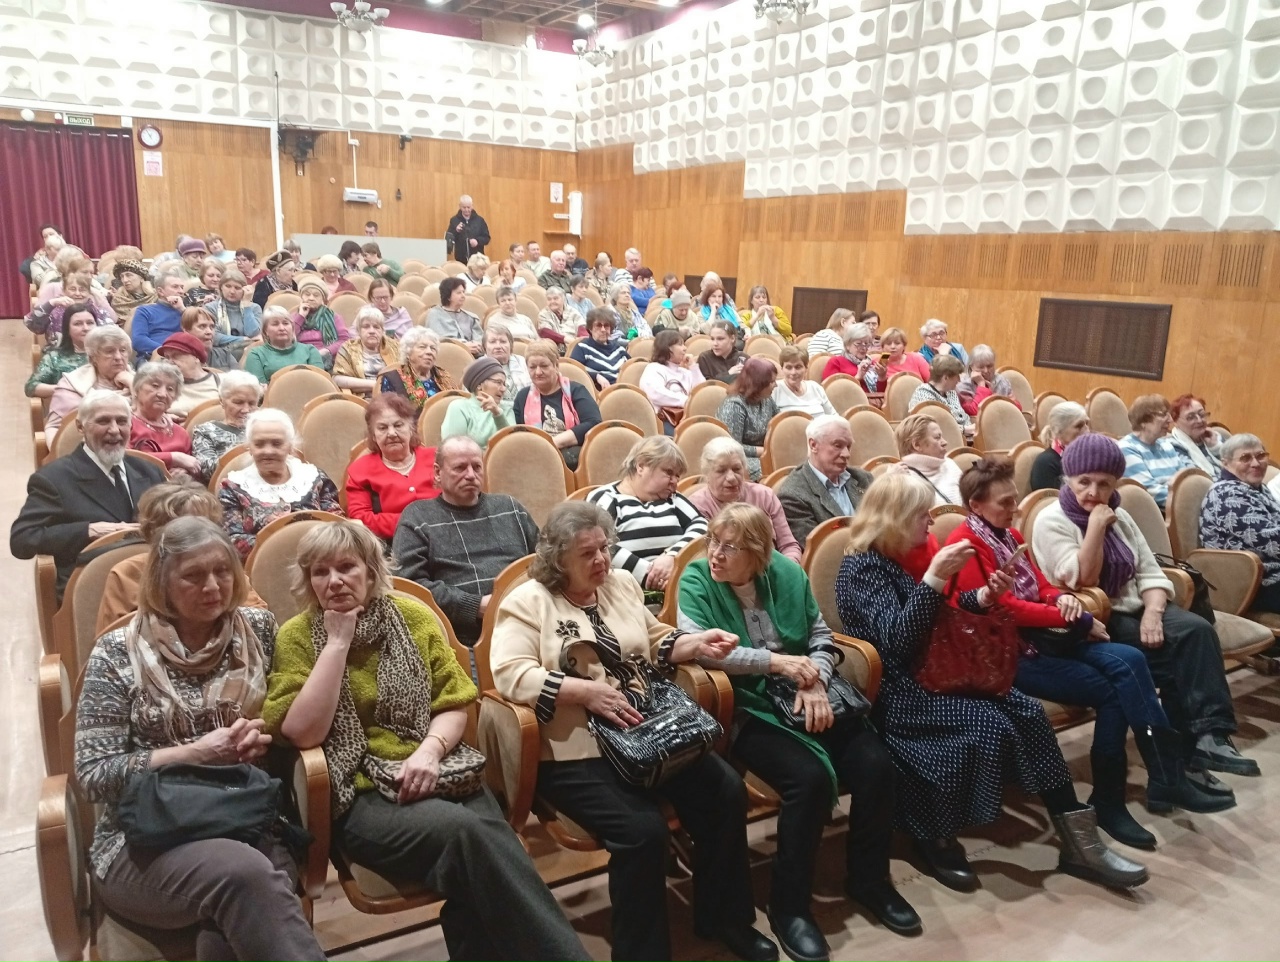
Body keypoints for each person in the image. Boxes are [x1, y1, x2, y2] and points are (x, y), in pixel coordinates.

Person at [264, 520, 590, 962]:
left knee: (486, 864)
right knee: (475, 839)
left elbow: (454, 703)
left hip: (442, 768)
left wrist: (429, 752)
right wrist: (337, 643)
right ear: (308, 581)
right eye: (320, 572)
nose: (334, 581)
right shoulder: (297, 636)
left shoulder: (413, 617)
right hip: (358, 791)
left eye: (346, 567)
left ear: (371, 571)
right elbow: (303, 732)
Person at [836, 471, 1148, 892]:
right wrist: (934, 578)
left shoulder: (903, 554)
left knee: (1028, 711)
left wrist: (983, 597)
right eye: (922, 514)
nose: (931, 521)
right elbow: (896, 641)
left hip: (939, 669)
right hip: (898, 687)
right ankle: (934, 834)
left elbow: (941, 616)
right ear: (895, 518)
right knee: (988, 722)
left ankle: (1081, 842)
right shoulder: (861, 568)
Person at [490, 501, 775, 962]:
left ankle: (726, 919)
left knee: (725, 791)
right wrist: (585, 692)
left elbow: (655, 638)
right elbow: (510, 674)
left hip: (647, 734)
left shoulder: (620, 584)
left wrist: (695, 642)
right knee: (643, 832)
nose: (602, 560)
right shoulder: (527, 602)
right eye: (588, 553)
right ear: (558, 559)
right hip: (577, 750)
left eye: (604, 548)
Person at [73, 516, 325, 962]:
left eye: (223, 571)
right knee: (246, 875)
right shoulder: (117, 654)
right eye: (193, 575)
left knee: (234, 920)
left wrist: (263, 738)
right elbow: (93, 775)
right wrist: (196, 753)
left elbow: (289, 722)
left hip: (245, 816)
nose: (213, 586)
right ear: (161, 583)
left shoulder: (259, 631)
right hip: (145, 840)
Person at [946, 458, 1230, 849]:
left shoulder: (1007, 534)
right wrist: (1077, 619)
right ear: (976, 505)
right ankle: (1121, 796)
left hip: (1044, 639)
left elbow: (1042, 586)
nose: (1015, 509)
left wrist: (1061, 600)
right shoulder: (963, 543)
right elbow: (1004, 609)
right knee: (1115, 689)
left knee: (1132, 660)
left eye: (1014, 499)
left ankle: (1164, 778)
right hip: (1007, 655)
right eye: (1005, 502)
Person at [679, 504, 916, 953]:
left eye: (730, 547)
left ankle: (869, 880)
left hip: (809, 690)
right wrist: (779, 664)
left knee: (875, 765)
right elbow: (706, 653)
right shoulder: (697, 579)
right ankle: (789, 906)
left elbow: (820, 637)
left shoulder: (786, 573)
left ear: (758, 553)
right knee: (806, 781)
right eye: (713, 541)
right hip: (746, 705)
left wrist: (816, 681)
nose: (715, 554)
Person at [1032, 433, 1260, 778]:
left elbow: (1149, 572)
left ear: (1115, 484)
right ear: (1068, 478)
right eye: (1084, 481)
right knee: (1179, 663)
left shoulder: (1120, 516)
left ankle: (1210, 737)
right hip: (1095, 615)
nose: (1093, 492)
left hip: (1137, 607)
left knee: (1198, 631)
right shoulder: (1052, 520)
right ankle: (1186, 754)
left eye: (1104, 484)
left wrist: (1154, 613)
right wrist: (1095, 528)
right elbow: (1082, 579)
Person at [12, 391, 167, 594]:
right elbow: (22, 540)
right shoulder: (53, 479)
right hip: (91, 590)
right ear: (80, 427)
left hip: (153, 583)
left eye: (121, 421)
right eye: (103, 421)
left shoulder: (149, 471)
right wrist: (88, 531)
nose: (114, 430)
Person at [393, 436, 539, 647]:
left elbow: (545, 561)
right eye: (460, 468)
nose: (470, 475)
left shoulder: (509, 507)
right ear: (437, 473)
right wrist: (475, 606)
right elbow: (410, 586)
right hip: (460, 639)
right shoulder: (417, 517)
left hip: (529, 624)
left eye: (476, 467)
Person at [95, 480, 269, 632]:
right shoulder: (126, 574)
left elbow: (258, 620)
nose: (199, 536)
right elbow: (112, 641)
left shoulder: (223, 568)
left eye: (205, 526)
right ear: (155, 532)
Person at [586, 436, 707, 598]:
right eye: (669, 473)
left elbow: (702, 525)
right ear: (641, 466)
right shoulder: (607, 497)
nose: (675, 482)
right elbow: (597, 545)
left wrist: (673, 557)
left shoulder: (672, 498)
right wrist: (649, 574)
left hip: (679, 585)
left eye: (678, 476)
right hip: (626, 592)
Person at [218, 409, 342, 560]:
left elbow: (337, 523)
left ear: (290, 446)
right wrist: (285, 544)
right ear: (250, 447)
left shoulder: (314, 477)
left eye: (277, 444)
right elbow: (233, 541)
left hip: (320, 560)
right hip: (264, 565)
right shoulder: (233, 487)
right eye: (259, 444)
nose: (268, 451)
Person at [1200, 433, 1280, 617]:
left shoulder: (1257, 488)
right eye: (1245, 458)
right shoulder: (1227, 494)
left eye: (1260, 456)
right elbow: (1273, 543)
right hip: (1253, 583)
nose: (1255, 463)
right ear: (1225, 463)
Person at [689, 439, 802, 562]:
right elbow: (707, 559)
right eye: (721, 471)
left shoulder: (764, 496)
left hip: (773, 568)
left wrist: (788, 568)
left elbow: (789, 545)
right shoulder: (697, 506)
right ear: (707, 474)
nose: (731, 477)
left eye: (736, 469)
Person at [345, 394, 438, 541]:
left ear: (411, 428)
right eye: (382, 428)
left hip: (446, 536)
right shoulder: (360, 471)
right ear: (373, 435)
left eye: (398, 425)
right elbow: (360, 519)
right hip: (390, 544)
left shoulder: (437, 459)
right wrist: (414, 522)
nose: (392, 433)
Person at [777, 415, 874, 549]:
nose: (846, 454)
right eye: (838, 445)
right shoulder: (793, 495)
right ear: (813, 445)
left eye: (848, 446)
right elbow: (820, 552)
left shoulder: (863, 478)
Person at [513, 340, 602, 470]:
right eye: (532, 367)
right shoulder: (523, 397)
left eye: (544, 366)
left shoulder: (576, 390)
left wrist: (553, 443)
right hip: (535, 457)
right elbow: (517, 434)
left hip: (573, 456)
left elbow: (593, 423)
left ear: (556, 365)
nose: (538, 372)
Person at [45, 325, 135, 439]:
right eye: (109, 351)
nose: (118, 357)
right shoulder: (72, 384)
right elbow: (55, 428)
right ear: (93, 358)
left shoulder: (141, 382)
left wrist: (133, 384)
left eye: (123, 350)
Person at [1116, 395, 1196, 511]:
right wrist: (1190, 500)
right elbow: (1149, 491)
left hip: (1181, 507)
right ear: (1143, 420)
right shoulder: (1127, 449)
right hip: (1156, 512)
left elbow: (1186, 479)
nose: (1170, 420)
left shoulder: (1166, 445)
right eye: (1163, 415)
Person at [128, 360, 200, 477]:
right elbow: (126, 458)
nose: (162, 394)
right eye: (155, 386)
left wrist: (185, 471)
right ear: (137, 389)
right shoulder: (125, 424)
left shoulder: (180, 432)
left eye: (170, 389)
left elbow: (194, 466)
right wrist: (174, 458)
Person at [716, 357, 779, 482]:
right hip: (735, 458)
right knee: (771, 468)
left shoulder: (766, 399)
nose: (776, 385)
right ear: (759, 383)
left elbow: (779, 425)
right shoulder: (734, 405)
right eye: (772, 382)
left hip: (765, 453)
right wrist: (765, 451)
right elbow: (731, 446)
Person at [192, 370, 262, 479]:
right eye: (238, 402)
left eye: (252, 403)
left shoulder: (265, 429)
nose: (246, 410)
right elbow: (208, 471)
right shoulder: (205, 431)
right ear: (222, 401)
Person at [25, 269, 116, 350]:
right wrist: (51, 303)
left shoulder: (99, 313)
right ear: (64, 291)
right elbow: (31, 324)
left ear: (89, 292)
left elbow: (112, 337)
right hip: (58, 357)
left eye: (82, 290)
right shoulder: (53, 312)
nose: (77, 293)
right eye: (72, 289)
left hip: (93, 357)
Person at [379, 328, 458, 415]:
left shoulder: (444, 376)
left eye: (433, 348)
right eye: (422, 347)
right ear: (408, 353)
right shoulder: (393, 379)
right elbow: (389, 415)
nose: (429, 352)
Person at [439, 357, 512, 450]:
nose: (503, 389)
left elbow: (512, 445)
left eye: (504, 384)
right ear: (479, 385)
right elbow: (453, 449)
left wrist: (497, 414)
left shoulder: (506, 410)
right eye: (498, 382)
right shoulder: (459, 407)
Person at [639, 329, 704, 433]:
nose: (685, 348)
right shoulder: (653, 368)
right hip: (664, 420)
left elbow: (702, 393)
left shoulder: (685, 372)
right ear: (667, 348)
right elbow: (656, 394)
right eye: (680, 344)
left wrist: (693, 367)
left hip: (688, 418)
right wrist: (688, 401)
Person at [26, 301, 92, 399]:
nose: (86, 328)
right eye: (78, 324)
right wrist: (65, 389)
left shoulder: (108, 355)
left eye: (90, 323)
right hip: (69, 406)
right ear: (67, 329)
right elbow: (31, 387)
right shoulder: (54, 357)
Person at [244, 306, 326, 384]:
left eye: (286, 323)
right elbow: (259, 389)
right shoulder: (256, 354)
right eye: (275, 324)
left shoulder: (310, 350)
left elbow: (320, 383)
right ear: (266, 331)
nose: (282, 328)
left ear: (292, 328)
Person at [896, 412, 963, 506]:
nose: (945, 442)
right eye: (937, 438)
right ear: (917, 445)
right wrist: (895, 483)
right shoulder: (899, 477)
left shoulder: (950, 464)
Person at [332, 306, 399, 394]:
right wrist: (376, 384)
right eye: (366, 327)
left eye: (376, 327)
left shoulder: (395, 347)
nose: (372, 331)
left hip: (393, 397)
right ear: (358, 331)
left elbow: (407, 376)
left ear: (383, 330)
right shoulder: (348, 348)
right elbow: (337, 379)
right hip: (361, 398)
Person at [157, 330, 222, 419]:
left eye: (176, 356)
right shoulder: (161, 386)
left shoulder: (221, 381)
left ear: (196, 357)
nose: (170, 362)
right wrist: (161, 417)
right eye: (167, 357)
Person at [204, 268, 262, 362]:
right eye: (228, 286)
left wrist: (246, 305)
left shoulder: (254, 308)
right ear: (221, 287)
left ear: (244, 289)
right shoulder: (210, 308)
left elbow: (252, 333)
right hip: (219, 354)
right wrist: (243, 339)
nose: (232, 291)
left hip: (249, 354)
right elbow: (214, 337)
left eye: (237, 288)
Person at [293, 278, 351, 370]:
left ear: (322, 299)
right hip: (299, 357)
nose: (311, 298)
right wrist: (301, 316)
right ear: (301, 297)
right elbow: (287, 338)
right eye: (307, 294)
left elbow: (344, 340)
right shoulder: (294, 317)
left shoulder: (333, 317)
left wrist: (327, 350)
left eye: (316, 295)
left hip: (326, 358)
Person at [1031, 401, 1090, 492]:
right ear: (1059, 431)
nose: (1087, 431)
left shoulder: (1090, 455)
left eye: (1087, 423)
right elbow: (1048, 498)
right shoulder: (1045, 463)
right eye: (1079, 426)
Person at [909, 355, 973, 439]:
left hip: (964, 438)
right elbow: (932, 426)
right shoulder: (923, 395)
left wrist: (971, 428)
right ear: (946, 378)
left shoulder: (951, 392)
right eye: (957, 376)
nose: (959, 380)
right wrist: (964, 430)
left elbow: (963, 416)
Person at [130, 271, 188, 359]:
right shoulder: (144, 311)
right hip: (153, 357)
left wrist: (182, 310)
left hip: (183, 357)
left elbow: (198, 336)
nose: (181, 291)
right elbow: (139, 340)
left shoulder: (186, 312)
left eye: (182, 287)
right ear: (160, 291)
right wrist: (166, 351)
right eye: (175, 287)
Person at [571, 308, 629, 390]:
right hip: (597, 392)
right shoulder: (582, 347)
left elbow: (632, 369)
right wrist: (596, 376)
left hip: (622, 390)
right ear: (590, 328)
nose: (603, 330)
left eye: (606, 326)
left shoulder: (619, 349)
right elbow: (573, 371)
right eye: (598, 325)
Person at [1168, 394, 1224, 477]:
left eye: (1202, 415)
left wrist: (1216, 447)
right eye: (1191, 417)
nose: (1199, 420)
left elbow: (1237, 465)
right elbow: (1196, 477)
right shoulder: (1173, 446)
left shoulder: (1215, 436)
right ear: (1175, 421)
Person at [866, 326, 934, 393]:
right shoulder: (876, 363)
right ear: (882, 347)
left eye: (897, 343)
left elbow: (933, 382)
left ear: (904, 346)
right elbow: (879, 394)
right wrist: (882, 377)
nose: (893, 347)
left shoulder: (916, 358)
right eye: (888, 344)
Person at [773, 346, 837, 417]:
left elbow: (834, 417)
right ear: (782, 369)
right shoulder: (774, 390)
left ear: (806, 368)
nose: (793, 372)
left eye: (798, 367)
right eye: (788, 367)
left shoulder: (815, 387)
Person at [426, 276, 483, 356]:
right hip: (446, 356)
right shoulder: (435, 315)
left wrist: (476, 346)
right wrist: (463, 346)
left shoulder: (471, 317)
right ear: (448, 296)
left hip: (473, 356)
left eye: (463, 292)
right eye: (459, 293)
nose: (463, 295)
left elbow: (479, 340)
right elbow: (438, 340)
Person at [957, 344, 1018, 416]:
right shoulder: (963, 385)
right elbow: (974, 412)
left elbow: (1017, 408)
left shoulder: (1001, 381)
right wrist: (981, 385)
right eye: (981, 367)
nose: (986, 371)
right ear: (971, 367)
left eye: (989, 366)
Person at [483, 323, 530, 415]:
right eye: (492, 342)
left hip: (526, 412)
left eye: (503, 341)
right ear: (484, 346)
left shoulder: (523, 362)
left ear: (511, 345)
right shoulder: (477, 368)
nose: (498, 346)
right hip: (491, 414)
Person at [108, 258, 156, 323]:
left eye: (128, 275)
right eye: (122, 276)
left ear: (141, 278)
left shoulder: (155, 297)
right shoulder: (118, 300)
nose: (125, 280)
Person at [446, 194, 490, 261]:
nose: (466, 210)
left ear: (472, 206)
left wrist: (477, 241)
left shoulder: (480, 220)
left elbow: (487, 238)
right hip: (460, 259)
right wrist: (456, 231)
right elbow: (449, 240)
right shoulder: (454, 220)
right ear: (460, 206)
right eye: (464, 207)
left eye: (468, 207)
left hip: (477, 259)